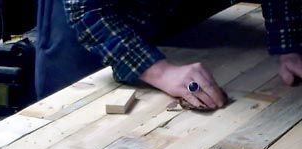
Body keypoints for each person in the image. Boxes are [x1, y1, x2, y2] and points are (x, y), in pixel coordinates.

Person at [35, 0, 302, 106]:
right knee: (72, 118)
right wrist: (159, 71)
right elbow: (84, 9)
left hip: (161, 11)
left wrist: (289, 44)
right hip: (90, 13)